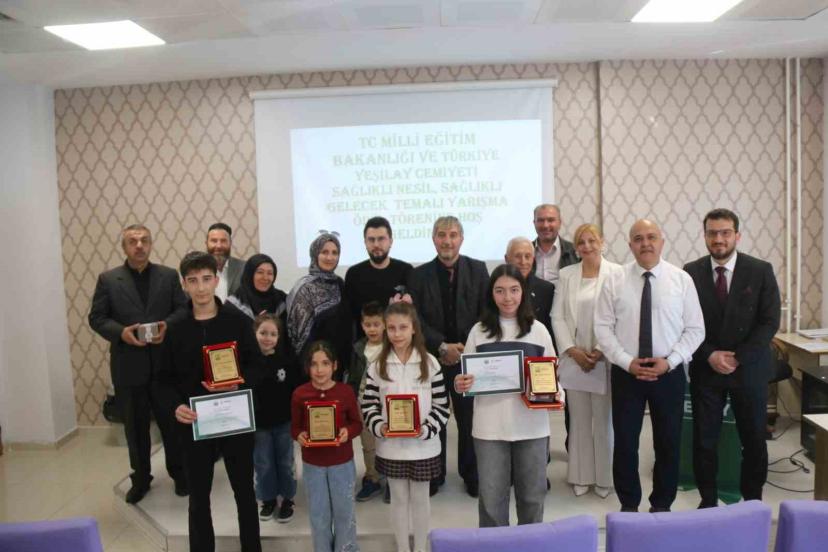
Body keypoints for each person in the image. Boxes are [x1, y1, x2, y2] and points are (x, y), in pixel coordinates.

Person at [155, 251, 264, 552]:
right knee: (199, 497)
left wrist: (239, 382)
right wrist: (175, 406)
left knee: (244, 493)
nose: (201, 287)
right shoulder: (175, 328)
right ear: (184, 285)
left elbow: (258, 366)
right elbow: (161, 379)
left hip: (235, 419)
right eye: (193, 281)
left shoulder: (238, 321)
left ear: (216, 280)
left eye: (206, 279)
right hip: (195, 423)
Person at [594, 219, 705, 513]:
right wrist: (626, 361)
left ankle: (662, 505)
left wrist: (670, 361)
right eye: (639, 238)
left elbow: (696, 330)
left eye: (651, 237)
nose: (646, 243)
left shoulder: (681, 280)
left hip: (668, 373)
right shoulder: (614, 280)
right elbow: (602, 328)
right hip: (626, 373)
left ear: (662, 242)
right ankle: (629, 505)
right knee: (625, 443)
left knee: (668, 443)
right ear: (630, 245)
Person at [684, 208, 781, 508]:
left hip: (748, 369)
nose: (719, 239)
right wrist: (710, 354)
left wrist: (738, 357)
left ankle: (752, 503)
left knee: (753, 441)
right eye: (712, 233)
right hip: (707, 368)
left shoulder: (760, 270)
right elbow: (683, 321)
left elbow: (769, 321)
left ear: (737, 235)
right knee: (704, 442)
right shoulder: (690, 272)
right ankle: (708, 501)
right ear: (704, 236)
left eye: (725, 233)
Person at [88, 224, 187, 504]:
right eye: (133, 241)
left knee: (172, 425)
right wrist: (121, 333)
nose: (139, 245)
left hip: (165, 367)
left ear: (151, 244)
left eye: (144, 240)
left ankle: (180, 475)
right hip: (128, 367)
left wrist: (167, 326)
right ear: (124, 247)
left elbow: (183, 309)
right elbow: (96, 318)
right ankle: (141, 479)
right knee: (135, 428)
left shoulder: (168, 276)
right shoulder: (109, 280)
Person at [454, 264, 555, 527]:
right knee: (491, 502)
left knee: (533, 498)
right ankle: (494, 545)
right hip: (490, 429)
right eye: (499, 290)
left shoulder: (539, 331)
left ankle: (530, 543)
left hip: (532, 428)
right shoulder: (479, 331)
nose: (507, 297)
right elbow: (466, 376)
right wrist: (460, 383)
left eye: (513, 290)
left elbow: (552, 375)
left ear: (523, 292)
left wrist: (557, 396)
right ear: (491, 294)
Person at [408, 216, 488, 497]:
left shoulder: (478, 270)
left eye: (453, 235)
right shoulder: (418, 275)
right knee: (435, 417)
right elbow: (415, 318)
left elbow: (485, 313)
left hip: (468, 358)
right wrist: (442, 346)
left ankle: (472, 474)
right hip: (434, 359)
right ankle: (434, 473)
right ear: (434, 239)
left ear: (461, 239)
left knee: (469, 419)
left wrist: (464, 347)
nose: (447, 241)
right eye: (441, 235)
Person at [362, 302, 449, 552]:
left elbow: (443, 406)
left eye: (403, 327)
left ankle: (420, 548)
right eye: (391, 328)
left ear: (413, 329)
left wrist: (426, 429)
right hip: (391, 447)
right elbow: (368, 404)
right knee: (398, 499)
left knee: (421, 499)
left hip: (423, 447)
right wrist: (380, 427)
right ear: (385, 330)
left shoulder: (430, 363)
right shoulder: (376, 365)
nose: (397, 333)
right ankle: (402, 548)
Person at [551, 224, 622, 498]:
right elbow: (557, 316)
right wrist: (572, 349)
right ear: (576, 247)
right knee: (579, 421)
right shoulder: (566, 274)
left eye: (592, 240)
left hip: (605, 359)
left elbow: (621, 315)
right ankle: (580, 476)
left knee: (603, 421)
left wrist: (601, 349)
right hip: (575, 359)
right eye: (581, 242)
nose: (587, 246)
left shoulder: (617, 273)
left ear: (602, 242)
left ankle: (604, 478)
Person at [291, 341, 362, 552]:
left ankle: (346, 549)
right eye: (314, 364)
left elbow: (357, 424)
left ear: (335, 365)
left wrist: (347, 432)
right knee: (318, 514)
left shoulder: (345, 392)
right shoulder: (300, 394)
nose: (319, 370)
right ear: (307, 367)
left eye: (325, 363)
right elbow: (294, 428)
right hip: (313, 464)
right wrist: (299, 435)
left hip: (341, 462)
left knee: (344, 513)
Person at [252, 313, 298, 522]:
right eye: (263, 333)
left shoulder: (286, 361)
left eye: (273, 334)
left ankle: (288, 498)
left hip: (283, 423)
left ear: (279, 337)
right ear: (254, 333)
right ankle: (268, 498)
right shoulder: (248, 362)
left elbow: (295, 391)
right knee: (263, 462)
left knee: (285, 461)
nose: (267, 338)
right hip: (259, 424)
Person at [287, 232, 352, 378]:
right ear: (315, 254)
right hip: (312, 367)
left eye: (334, 253)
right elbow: (297, 336)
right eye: (324, 252)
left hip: (338, 364)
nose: (330, 257)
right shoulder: (304, 288)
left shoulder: (340, 284)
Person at [345, 216, 414, 337]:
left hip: (398, 341)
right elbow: (349, 318)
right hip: (365, 345)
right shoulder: (353, 274)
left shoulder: (406, 271)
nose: (376, 244)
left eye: (381, 239)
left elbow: (413, 316)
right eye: (371, 240)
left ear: (390, 241)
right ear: (365, 243)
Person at [348, 301, 387, 502]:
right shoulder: (358, 348)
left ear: (384, 324)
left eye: (376, 324)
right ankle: (372, 478)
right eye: (368, 325)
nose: (372, 329)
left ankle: (390, 479)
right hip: (363, 403)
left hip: (387, 405)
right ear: (362, 325)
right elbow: (353, 377)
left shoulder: (392, 346)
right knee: (368, 444)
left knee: (388, 442)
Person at [227, 254, 291, 357]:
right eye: (260, 272)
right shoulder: (233, 304)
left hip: (278, 362)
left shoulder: (282, 301)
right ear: (250, 274)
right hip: (245, 362)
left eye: (270, 273)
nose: (265, 278)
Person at [505, 236, 555, 336]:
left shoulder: (547, 289)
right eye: (517, 256)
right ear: (507, 259)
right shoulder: (496, 288)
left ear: (533, 259)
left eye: (527, 256)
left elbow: (550, 329)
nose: (523, 262)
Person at [531, 204, 579, 287]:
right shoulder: (525, 253)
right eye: (541, 220)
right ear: (534, 223)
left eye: (550, 220)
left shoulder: (574, 251)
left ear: (559, 223)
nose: (545, 225)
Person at [206, 222, 244, 302]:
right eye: (214, 241)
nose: (219, 246)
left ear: (230, 243)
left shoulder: (244, 268)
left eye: (223, 241)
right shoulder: (197, 270)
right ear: (206, 243)